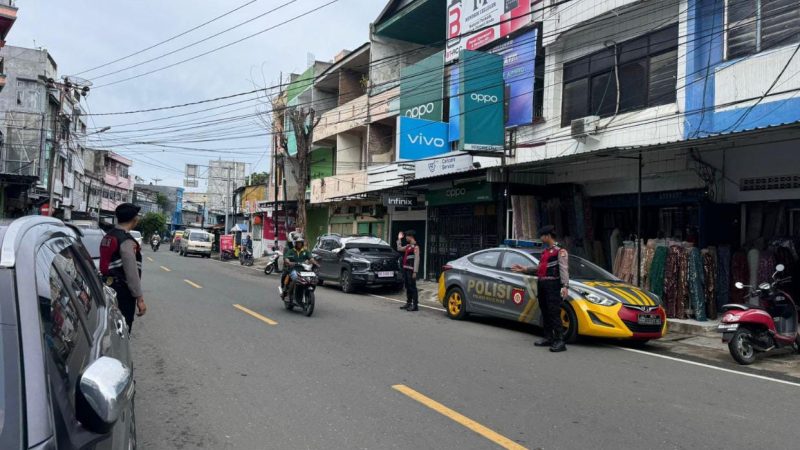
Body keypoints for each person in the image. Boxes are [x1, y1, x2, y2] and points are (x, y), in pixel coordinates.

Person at [511, 225, 569, 352]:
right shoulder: (545, 252)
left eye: (542, 236)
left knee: (554, 312)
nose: (541, 239)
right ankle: (549, 337)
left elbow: (563, 269)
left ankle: (560, 341)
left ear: (547, 236)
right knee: (545, 311)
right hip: (542, 284)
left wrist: (565, 286)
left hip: (553, 285)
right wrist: (525, 269)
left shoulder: (560, 251)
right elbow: (540, 268)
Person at [100, 203, 147, 331]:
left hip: (105, 288)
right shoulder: (126, 241)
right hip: (121, 292)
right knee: (122, 330)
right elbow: (131, 272)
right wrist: (140, 299)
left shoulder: (108, 236)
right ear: (134, 219)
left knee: (107, 327)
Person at [397, 230, 420, 311]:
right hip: (406, 269)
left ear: (411, 237)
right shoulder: (408, 246)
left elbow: (417, 259)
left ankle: (415, 305)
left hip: (411, 270)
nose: (406, 238)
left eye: (407, 236)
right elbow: (399, 248)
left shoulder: (415, 247)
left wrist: (415, 271)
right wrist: (399, 239)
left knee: (412, 287)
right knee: (407, 287)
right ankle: (408, 303)